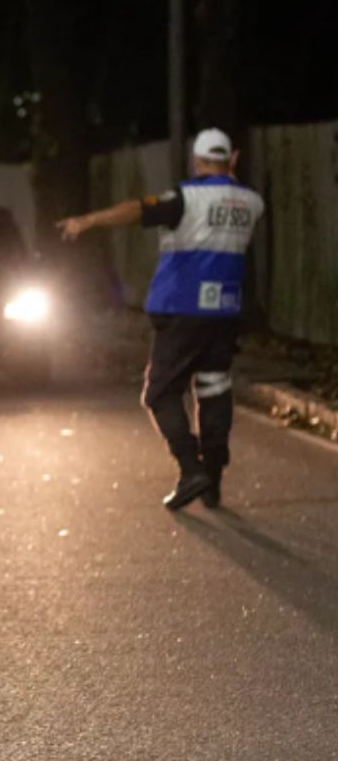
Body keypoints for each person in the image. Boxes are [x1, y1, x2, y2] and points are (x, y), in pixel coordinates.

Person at [57, 128, 264, 510]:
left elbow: (139, 209)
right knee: (214, 389)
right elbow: (230, 198)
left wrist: (87, 221)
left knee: (159, 393)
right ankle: (213, 478)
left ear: (197, 160)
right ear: (231, 159)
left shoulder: (187, 197)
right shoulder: (252, 201)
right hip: (224, 311)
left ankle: (191, 468)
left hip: (183, 310)